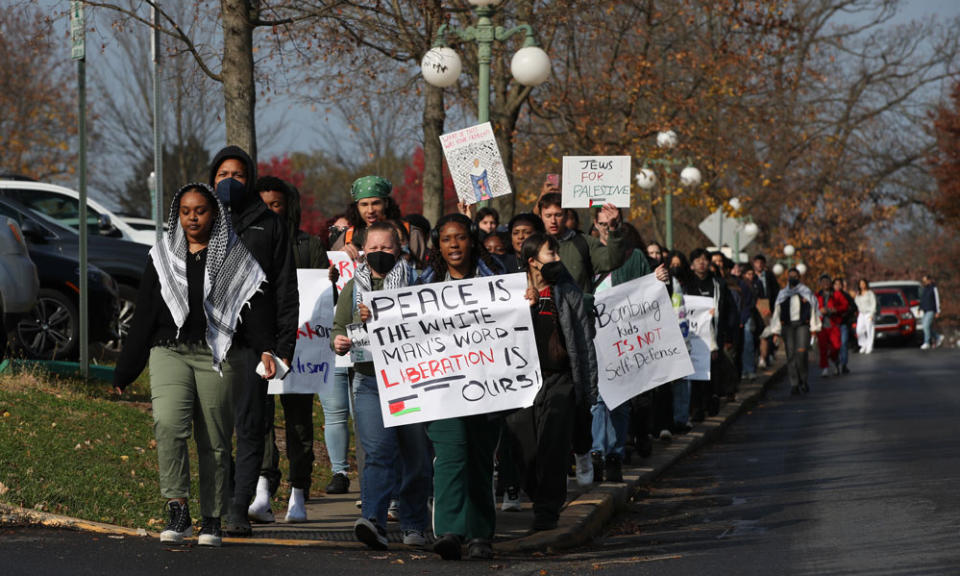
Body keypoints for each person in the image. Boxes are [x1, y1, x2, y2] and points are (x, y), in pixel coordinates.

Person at [114, 183, 267, 547]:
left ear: (213, 213)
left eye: (200, 210)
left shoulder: (235, 256)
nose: (193, 217)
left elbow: (255, 312)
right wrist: (125, 370)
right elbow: (145, 316)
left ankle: (211, 518)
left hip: (218, 355)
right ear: (177, 215)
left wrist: (267, 350)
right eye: (185, 211)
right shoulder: (162, 257)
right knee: (168, 423)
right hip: (169, 351)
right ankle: (177, 509)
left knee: (214, 439)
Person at [209, 146, 299, 537]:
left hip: (253, 345)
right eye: (222, 173)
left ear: (250, 179)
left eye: (238, 174)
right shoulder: (200, 218)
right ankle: (223, 498)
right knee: (213, 430)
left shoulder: (270, 224)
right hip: (210, 342)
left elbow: (285, 288)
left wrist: (283, 348)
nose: (229, 181)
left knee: (249, 428)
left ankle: (238, 509)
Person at [248, 176, 346, 524]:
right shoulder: (245, 243)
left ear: (288, 207)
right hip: (260, 344)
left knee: (299, 423)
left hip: (302, 348)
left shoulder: (308, 246)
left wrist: (329, 285)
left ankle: (299, 491)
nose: (270, 210)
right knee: (258, 417)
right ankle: (263, 487)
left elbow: (323, 300)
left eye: (276, 204)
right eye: (264, 204)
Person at [331, 222, 431, 550]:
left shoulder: (417, 282)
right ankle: (373, 520)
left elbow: (427, 327)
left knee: (415, 455)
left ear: (399, 249)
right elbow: (336, 327)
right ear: (362, 251)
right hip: (369, 380)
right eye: (373, 247)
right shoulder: (352, 287)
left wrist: (384, 314)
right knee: (376, 452)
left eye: (386, 248)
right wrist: (339, 342)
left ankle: (415, 523)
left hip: (410, 382)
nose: (379, 253)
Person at [417, 213, 503, 560]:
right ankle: (451, 531)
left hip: (488, 384)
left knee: (480, 458)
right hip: (442, 387)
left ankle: (480, 534)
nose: (454, 245)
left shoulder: (498, 279)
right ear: (438, 246)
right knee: (450, 457)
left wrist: (522, 301)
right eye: (447, 239)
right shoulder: (422, 287)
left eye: (461, 238)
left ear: (472, 241)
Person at [509, 232, 598, 533]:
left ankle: (547, 511)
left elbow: (584, 340)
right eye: (551, 254)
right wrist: (526, 308)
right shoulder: (511, 291)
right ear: (532, 261)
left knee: (554, 447)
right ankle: (537, 493)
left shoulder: (567, 290)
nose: (558, 259)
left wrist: (587, 386)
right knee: (526, 451)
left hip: (560, 380)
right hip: (522, 384)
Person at [539, 193, 626, 483]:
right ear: (540, 215)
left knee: (581, 394)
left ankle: (583, 452)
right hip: (544, 330)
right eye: (548, 214)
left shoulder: (579, 243)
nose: (554, 220)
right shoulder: (535, 244)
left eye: (559, 214)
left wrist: (612, 230)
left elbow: (610, 259)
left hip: (578, 330)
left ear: (567, 216)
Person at [683, 248, 738, 421]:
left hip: (715, 335)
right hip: (692, 336)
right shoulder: (686, 284)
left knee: (713, 371)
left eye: (705, 259)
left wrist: (729, 335)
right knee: (695, 373)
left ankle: (711, 400)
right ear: (691, 265)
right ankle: (697, 408)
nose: (702, 262)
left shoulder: (718, 284)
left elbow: (730, 311)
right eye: (697, 259)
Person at [330, 176, 428, 263]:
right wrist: (340, 256)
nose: (370, 210)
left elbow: (424, 272)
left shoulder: (410, 233)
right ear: (357, 207)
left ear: (386, 203)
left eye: (375, 203)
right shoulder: (346, 237)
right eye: (364, 204)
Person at [769, 268, 821, 395]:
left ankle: (803, 379)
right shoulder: (783, 293)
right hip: (788, 326)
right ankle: (794, 383)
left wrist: (814, 329)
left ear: (799, 277)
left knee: (801, 353)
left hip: (803, 325)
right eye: (790, 276)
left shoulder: (806, 292)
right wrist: (775, 332)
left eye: (795, 276)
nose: (793, 278)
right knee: (791, 355)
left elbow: (813, 309)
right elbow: (777, 313)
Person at [815, 274, 847, 377]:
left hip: (834, 324)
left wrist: (836, 309)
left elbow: (845, 305)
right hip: (821, 325)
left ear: (830, 283)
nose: (825, 284)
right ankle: (825, 368)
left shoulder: (837, 294)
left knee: (836, 347)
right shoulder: (817, 295)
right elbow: (812, 308)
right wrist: (819, 310)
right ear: (820, 284)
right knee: (823, 348)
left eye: (827, 282)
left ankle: (835, 361)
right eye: (823, 282)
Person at [752, 254, 780, 368]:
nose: (759, 265)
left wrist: (773, 308)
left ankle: (764, 357)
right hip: (753, 307)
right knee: (755, 334)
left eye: (761, 262)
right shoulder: (750, 276)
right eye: (757, 262)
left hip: (767, 307)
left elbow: (776, 291)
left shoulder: (769, 276)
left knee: (766, 333)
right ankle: (759, 356)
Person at [833, 278, 856, 373]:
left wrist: (846, 313)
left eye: (839, 284)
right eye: (836, 284)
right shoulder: (830, 295)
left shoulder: (846, 295)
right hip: (833, 324)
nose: (837, 286)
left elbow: (854, 307)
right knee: (835, 346)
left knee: (843, 344)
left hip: (843, 323)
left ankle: (844, 364)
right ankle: (836, 364)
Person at [920, 274, 944, 349]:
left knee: (926, 326)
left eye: (925, 280)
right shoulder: (924, 289)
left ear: (929, 280)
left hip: (931, 310)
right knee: (926, 327)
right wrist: (920, 308)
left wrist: (938, 311)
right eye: (923, 281)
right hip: (925, 310)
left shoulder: (933, 288)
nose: (924, 282)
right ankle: (938, 337)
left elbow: (937, 300)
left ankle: (927, 342)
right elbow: (922, 299)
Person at [855, 279, 877, 354]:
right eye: (860, 284)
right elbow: (856, 303)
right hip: (861, 314)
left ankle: (869, 346)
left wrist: (872, 314)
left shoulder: (870, 293)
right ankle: (863, 345)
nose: (862, 285)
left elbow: (874, 303)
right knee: (859, 330)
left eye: (863, 284)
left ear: (866, 284)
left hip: (868, 313)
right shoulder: (858, 294)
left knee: (869, 330)